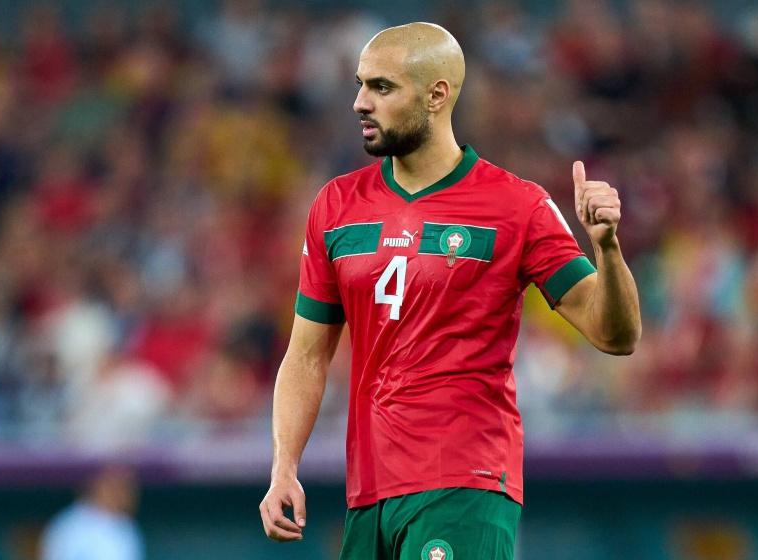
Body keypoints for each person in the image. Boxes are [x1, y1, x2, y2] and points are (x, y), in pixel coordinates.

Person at [259, 22, 641, 559]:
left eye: (382, 87)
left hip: (464, 481)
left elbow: (615, 334)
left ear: (437, 95)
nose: (360, 103)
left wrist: (608, 249)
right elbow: (305, 356)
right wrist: (284, 466)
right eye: (360, 85)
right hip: (368, 491)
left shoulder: (517, 206)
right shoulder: (336, 206)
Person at [41, 466, 144, 560]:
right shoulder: (69, 525)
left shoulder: (127, 526)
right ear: (98, 486)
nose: (124, 493)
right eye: (116, 485)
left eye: (127, 486)